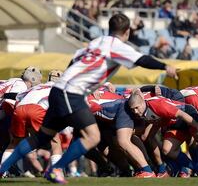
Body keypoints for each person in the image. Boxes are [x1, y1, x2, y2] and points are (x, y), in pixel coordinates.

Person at [0, 13, 177, 184]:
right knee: (93, 136)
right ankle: (56, 169)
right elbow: (142, 59)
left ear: (109, 28)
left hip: (58, 90)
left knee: (41, 138)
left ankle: (2, 169)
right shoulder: (116, 45)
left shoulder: (95, 42)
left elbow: (74, 62)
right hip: (71, 93)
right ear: (127, 32)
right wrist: (164, 66)